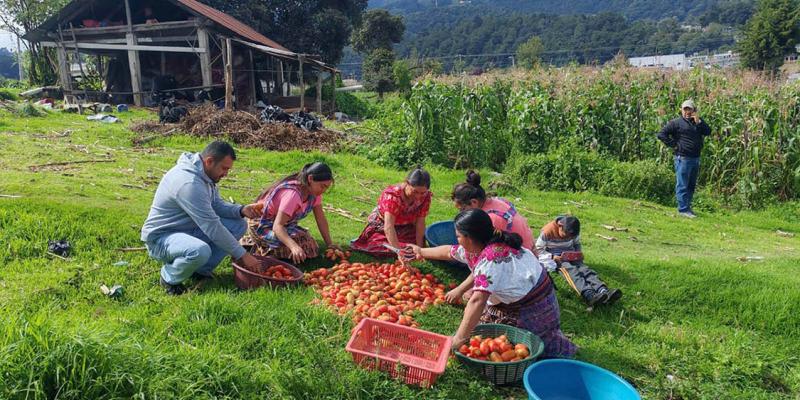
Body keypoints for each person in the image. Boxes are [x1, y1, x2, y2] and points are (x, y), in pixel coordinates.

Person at [406, 209, 577, 359]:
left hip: (534, 306)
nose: (457, 240)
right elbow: (449, 252)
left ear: (470, 237)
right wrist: (420, 251)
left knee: (526, 345)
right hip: (516, 297)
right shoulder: (485, 241)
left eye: (458, 236)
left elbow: (477, 300)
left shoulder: (491, 259)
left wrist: (458, 340)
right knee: (484, 331)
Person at [141, 141, 262, 295]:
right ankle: (169, 277)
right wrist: (243, 255)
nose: (226, 174)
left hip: (187, 230)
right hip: (162, 239)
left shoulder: (204, 175)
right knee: (199, 251)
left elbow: (216, 205)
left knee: (238, 224)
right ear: (209, 161)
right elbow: (212, 227)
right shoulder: (189, 183)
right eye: (224, 168)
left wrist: (241, 210)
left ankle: (200, 270)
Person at [247, 162, 337, 264]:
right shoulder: (292, 195)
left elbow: (321, 219)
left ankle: (272, 250)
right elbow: (277, 226)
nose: (323, 190)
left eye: (326, 188)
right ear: (310, 179)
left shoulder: (314, 194)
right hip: (262, 225)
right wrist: (294, 247)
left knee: (308, 242)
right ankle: (262, 250)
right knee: (294, 244)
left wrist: (329, 244)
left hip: (284, 224)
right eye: (322, 186)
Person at [535, 215, 621, 307]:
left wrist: (578, 253)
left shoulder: (573, 232)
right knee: (572, 272)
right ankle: (589, 295)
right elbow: (537, 249)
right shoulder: (547, 231)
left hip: (572, 255)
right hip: (558, 258)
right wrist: (552, 256)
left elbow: (576, 244)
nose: (568, 238)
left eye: (571, 237)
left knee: (585, 270)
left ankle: (603, 290)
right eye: (565, 235)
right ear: (560, 226)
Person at [351, 167, 432, 257]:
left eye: (422, 193)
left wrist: (420, 249)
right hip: (383, 226)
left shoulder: (426, 196)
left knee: (416, 247)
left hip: (406, 227)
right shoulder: (392, 196)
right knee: (377, 245)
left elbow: (420, 223)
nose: (418, 196)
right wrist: (398, 251)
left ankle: (406, 245)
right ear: (407, 183)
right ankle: (402, 246)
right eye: (415, 192)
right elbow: (388, 227)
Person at [451, 170, 535, 250]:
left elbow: (479, 247)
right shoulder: (499, 201)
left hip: (518, 256)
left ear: (474, 202)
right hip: (530, 247)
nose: (461, 213)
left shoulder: (488, 219)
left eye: (462, 209)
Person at [657, 99, 711, 218]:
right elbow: (661, 134)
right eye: (685, 109)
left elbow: (708, 132)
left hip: (695, 158)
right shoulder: (676, 123)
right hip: (683, 158)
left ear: (694, 110)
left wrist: (699, 122)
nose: (687, 112)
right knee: (682, 184)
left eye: (689, 109)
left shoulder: (698, 122)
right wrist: (674, 145)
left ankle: (687, 208)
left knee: (691, 185)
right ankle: (683, 210)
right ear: (681, 110)